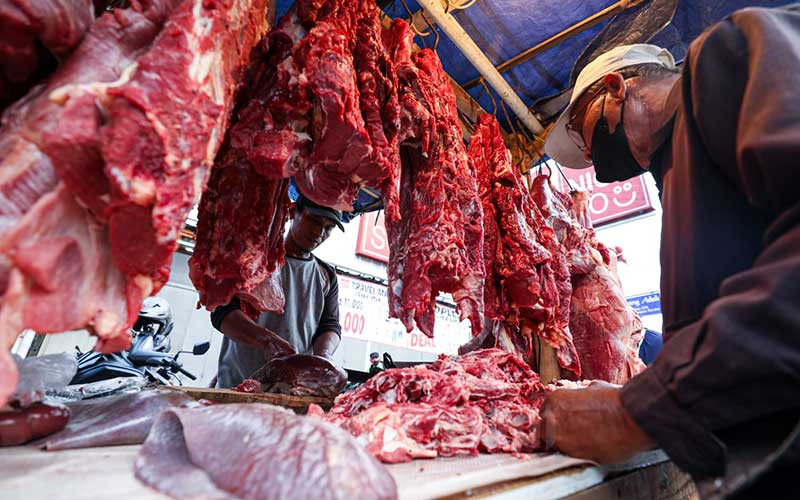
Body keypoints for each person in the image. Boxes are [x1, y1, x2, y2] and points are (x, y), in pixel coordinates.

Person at [542, 6, 800, 497]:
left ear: (616, 89)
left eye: (584, 131)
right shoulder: (677, 175)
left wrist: (643, 410)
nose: (592, 158)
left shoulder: (732, 57)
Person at [211, 194, 344, 389]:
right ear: (292, 212)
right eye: (314, 220)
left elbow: (329, 326)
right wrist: (267, 340)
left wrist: (324, 357)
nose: (319, 232)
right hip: (238, 387)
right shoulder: (252, 259)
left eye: (328, 228)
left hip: (290, 393)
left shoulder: (326, 275)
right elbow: (223, 313)